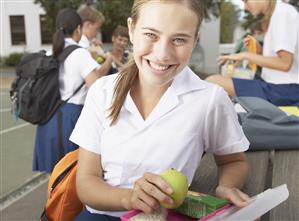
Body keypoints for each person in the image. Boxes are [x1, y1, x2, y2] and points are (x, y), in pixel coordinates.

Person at [70, 0, 250, 220]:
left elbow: (234, 160)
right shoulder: (102, 92)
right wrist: (129, 198)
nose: (163, 54)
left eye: (179, 39)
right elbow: (86, 184)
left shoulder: (210, 99)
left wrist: (226, 186)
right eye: (151, 35)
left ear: (195, 40)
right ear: (131, 29)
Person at [33, 8, 106, 173]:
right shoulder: (80, 54)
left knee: (54, 178)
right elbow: (97, 89)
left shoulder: (50, 53)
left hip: (48, 120)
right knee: (72, 175)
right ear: (78, 29)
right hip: (71, 120)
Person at [206, 0, 299, 106]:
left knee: (213, 81)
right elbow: (279, 61)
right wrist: (259, 51)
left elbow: (284, 63)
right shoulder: (278, 14)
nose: (245, 7)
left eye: (246, 1)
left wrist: (245, 55)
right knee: (217, 82)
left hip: (287, 91)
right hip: (278, 87)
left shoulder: (283, 14)